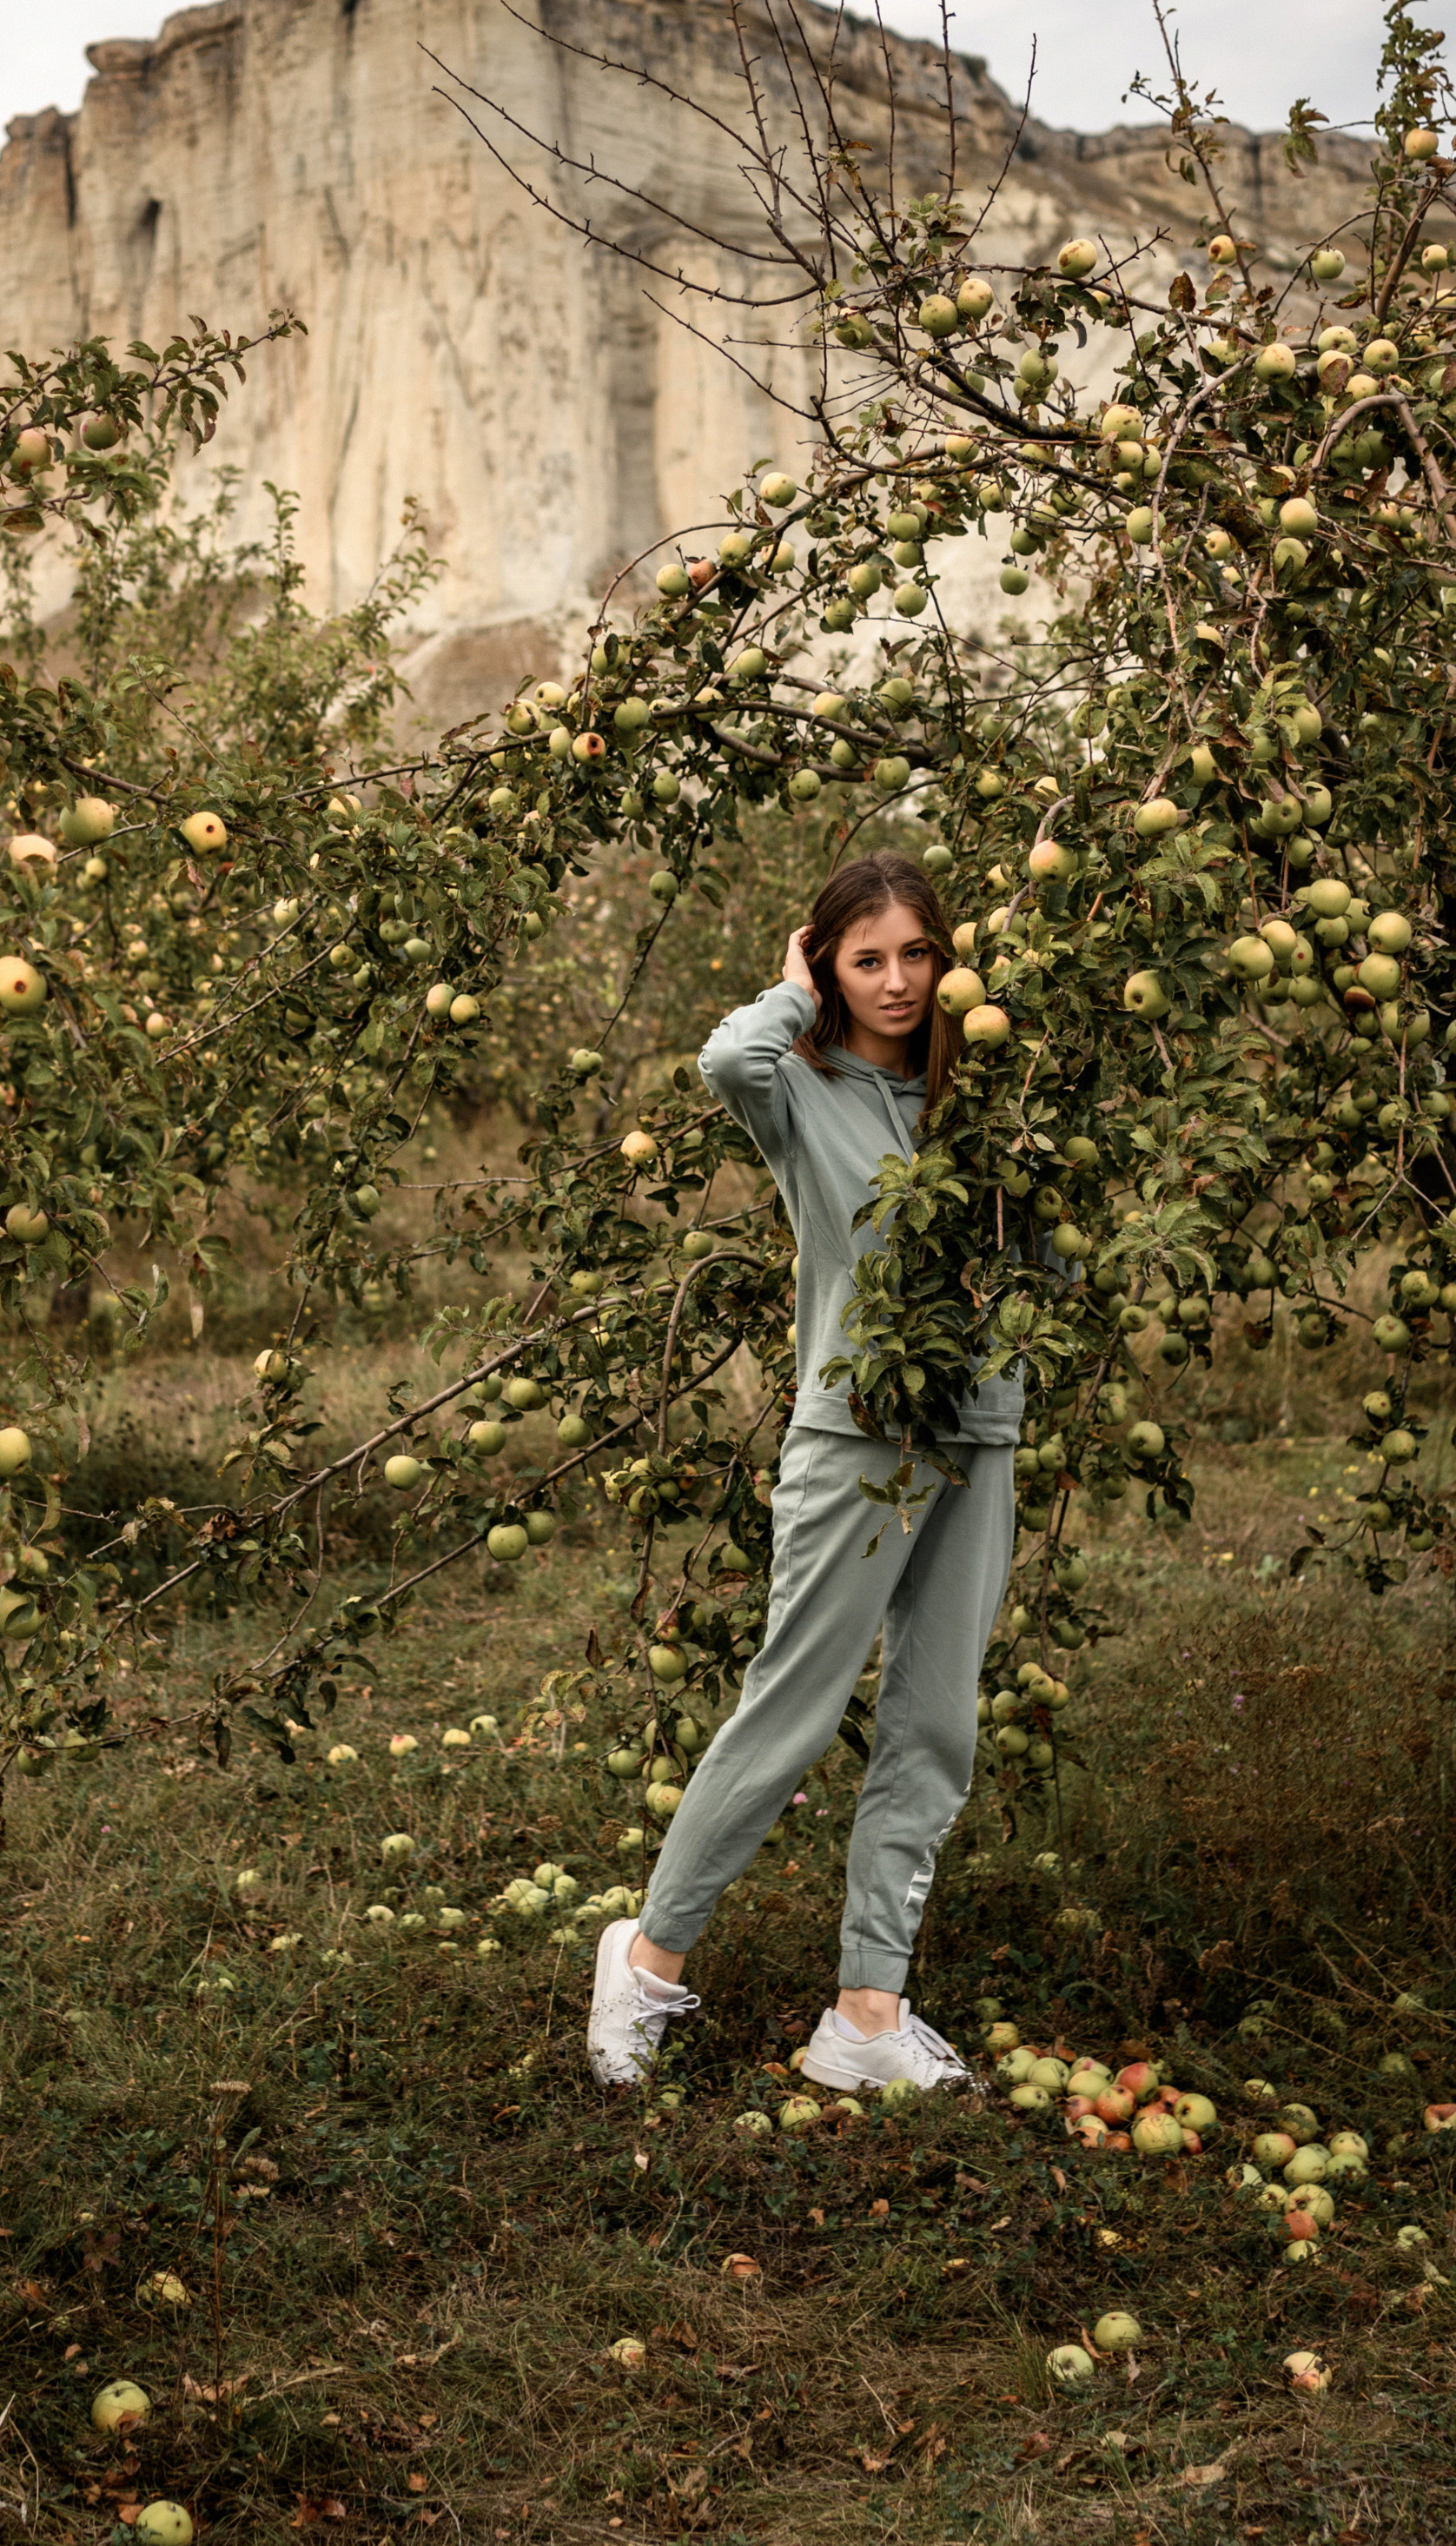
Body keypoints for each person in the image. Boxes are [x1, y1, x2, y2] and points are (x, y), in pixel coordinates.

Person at [587, 849, 1022, 2098]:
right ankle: (647, 1961)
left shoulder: (984, 1100)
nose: (895, 982)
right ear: (826, 967)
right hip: (854, 1434)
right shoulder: (800, 1086)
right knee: (789, 1711)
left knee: (933, 1727)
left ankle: (865, 2015)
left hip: (978, 1428)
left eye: (916, 955)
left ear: (951, 962)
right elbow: (725, 1060)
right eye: (864, 958)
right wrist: (788, 986)